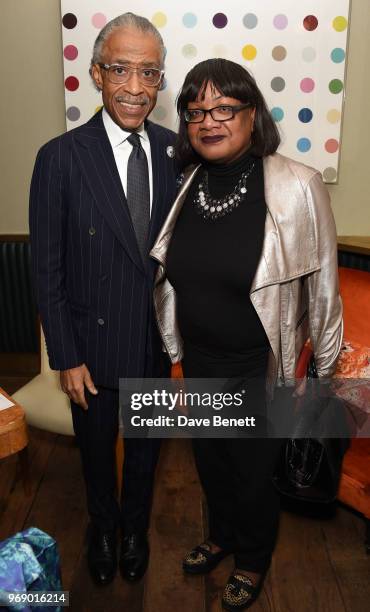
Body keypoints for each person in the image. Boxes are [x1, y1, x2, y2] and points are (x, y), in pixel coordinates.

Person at [150, 58, 343, 611]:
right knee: (211, 460)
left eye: (224, 108)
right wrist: (178, 357)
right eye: (196, 111)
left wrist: (322, 377)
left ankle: (253, 557)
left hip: (260, 362)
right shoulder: (187, 182)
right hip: (201, 358)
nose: (209, 121)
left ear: (251, 113)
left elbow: (323, 287)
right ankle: (224, 535)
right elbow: (170, 277)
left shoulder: (297, 184)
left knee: (253, 469)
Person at [29, 13, 177, 586]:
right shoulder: (61, 157)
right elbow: (48, 268)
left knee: (146, 453)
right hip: (89, 347)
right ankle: (103, 528)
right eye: (121, 69)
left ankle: (134, 530)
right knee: (96, 456)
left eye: (150, 73)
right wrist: (64, 354)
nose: (136, 88)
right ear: (95, 73)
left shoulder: (174, 152)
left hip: (154, 342)